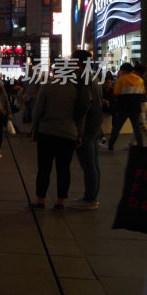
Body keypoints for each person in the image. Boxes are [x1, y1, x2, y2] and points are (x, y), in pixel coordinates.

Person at [30, 58, 89, 211]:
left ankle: (40, 200)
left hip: (47, 132)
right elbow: (81, 114)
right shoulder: (77, 89)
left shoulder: (48, 86)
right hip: (68, 134)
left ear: (57, 71)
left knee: (44, 168)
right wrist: (79, 134)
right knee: (64, 169)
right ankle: (60, 201)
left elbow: (37, 110)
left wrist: (34, 128)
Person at [69, 50, 103, 210]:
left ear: (79, 62)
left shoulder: (84, 78)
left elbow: (84, 104)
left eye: (72, 59)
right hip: (95, 126)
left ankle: (90, 199)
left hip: (87, 129)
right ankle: (91, 197)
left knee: (89, 165)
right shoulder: (93, 77)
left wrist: (78, 130)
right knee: (93, 164)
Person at [103, 62, 145, 151]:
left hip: (124, 108)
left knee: (117, 127)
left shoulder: (122, 79)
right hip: (136, 108)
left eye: (121, 71)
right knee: (137, 128)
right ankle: (141, 147)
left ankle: (110, 145)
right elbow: (142, 92)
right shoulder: (140, 80)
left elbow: (116, 93)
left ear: (124, 70)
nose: (120, 72)